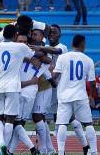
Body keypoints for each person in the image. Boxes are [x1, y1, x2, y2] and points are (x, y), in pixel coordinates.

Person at [31, 24, 90, 154]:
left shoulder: (61, 47)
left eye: (55, 32)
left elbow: (54, 52)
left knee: (64, 118)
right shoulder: (46, 48)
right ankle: (49, 148)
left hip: (60, 87)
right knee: (43, 116)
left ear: (60, 35)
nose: (52, 34)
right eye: (50, 32)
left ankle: (83, 145)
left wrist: (40, 49)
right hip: (47, 86)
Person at [0, 24, 36, 154]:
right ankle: (3, 149)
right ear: (16, 35)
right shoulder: (21, 46)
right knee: (10, 119)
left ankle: (1, 144)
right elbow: (33, 55)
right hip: (13, 86)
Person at [53, 34, 98, 155]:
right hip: (81, 96)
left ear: (72, 44)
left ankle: (61, 151)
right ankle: (94, 152)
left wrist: (51, 82)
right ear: (83, 44)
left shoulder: (62, 58)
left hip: (64, 96)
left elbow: (55, 76)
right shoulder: (88, 60)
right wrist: (91, 96)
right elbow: (92, 82)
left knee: (62, 123)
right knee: (88, 123)